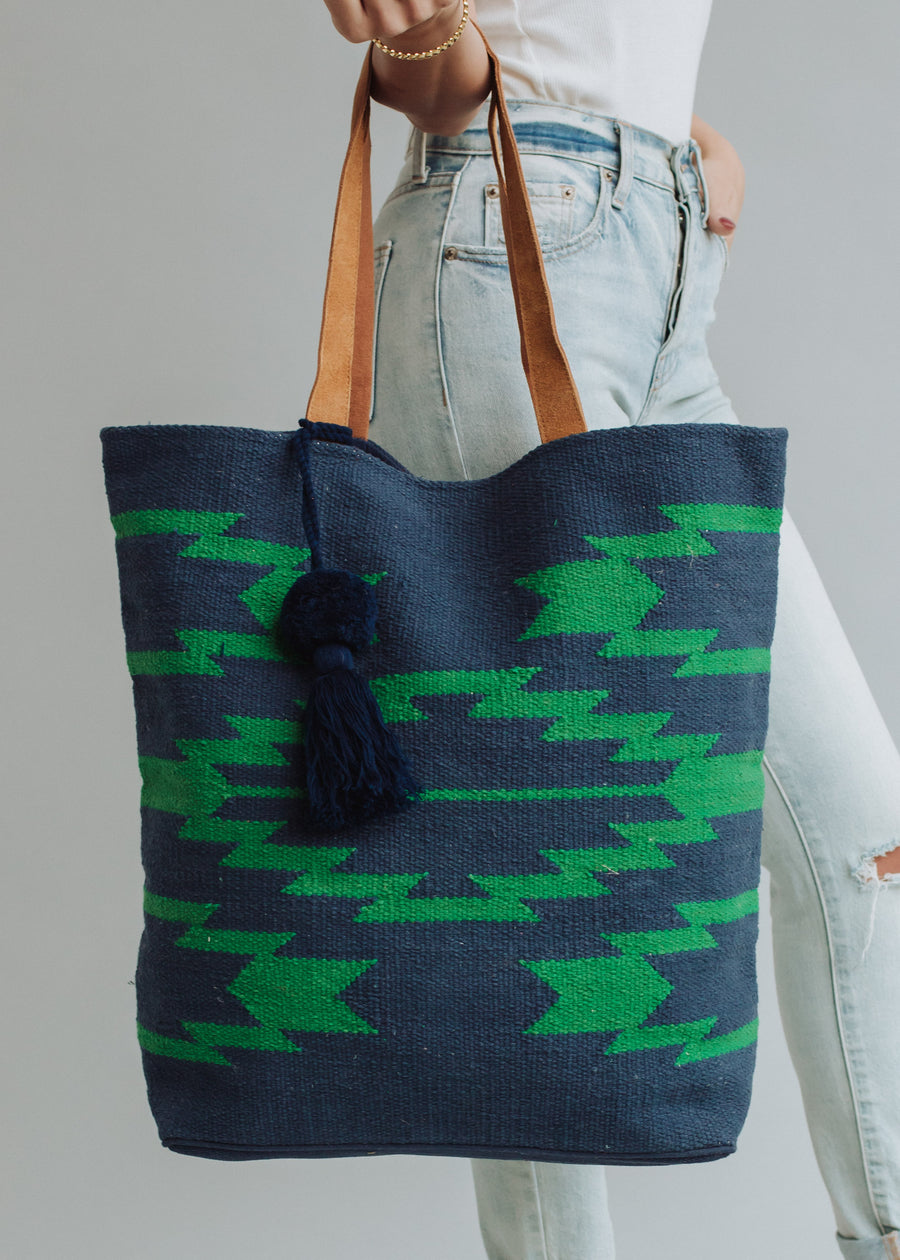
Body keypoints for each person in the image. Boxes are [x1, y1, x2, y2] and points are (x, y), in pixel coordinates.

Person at [323, 3, 900, 1257]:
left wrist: (675, 153)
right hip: (503, 238)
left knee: (860, 832)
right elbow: (437, 65)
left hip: (656, 263)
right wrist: (432, 50)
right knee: (536, 855)